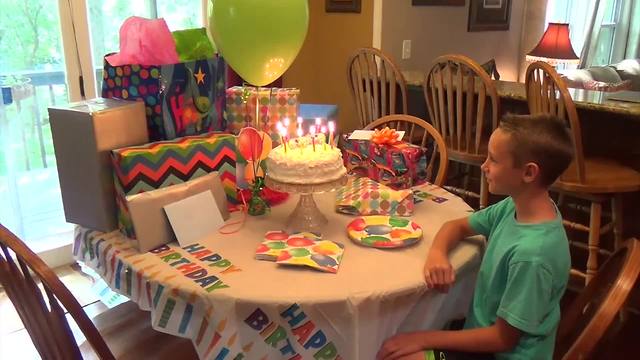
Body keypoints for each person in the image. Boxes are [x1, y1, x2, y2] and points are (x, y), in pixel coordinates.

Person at [377, 113, 575, 360]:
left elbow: (503, 339)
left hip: (499, 353)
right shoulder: (514, 207)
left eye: (493, 159)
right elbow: (456, 226)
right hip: (482, 332)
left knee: (396, 353)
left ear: (528, 173)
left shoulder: (532, 255)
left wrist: (421, 337)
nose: (484, 166)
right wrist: (438, 254)